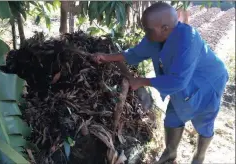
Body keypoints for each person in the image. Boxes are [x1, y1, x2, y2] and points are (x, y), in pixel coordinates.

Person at [92, 2, 229, 164]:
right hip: (181, 81)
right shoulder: (154, 37)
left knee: (204, 122)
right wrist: (106, 57)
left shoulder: (188, 40)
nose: (145, 32)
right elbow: (135, 53)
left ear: (165, 28)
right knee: (172, 118)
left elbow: (177, 81)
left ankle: (199, 156)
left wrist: (141, 81)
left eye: (148, 29)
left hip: (207, 83)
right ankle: (170, 154)